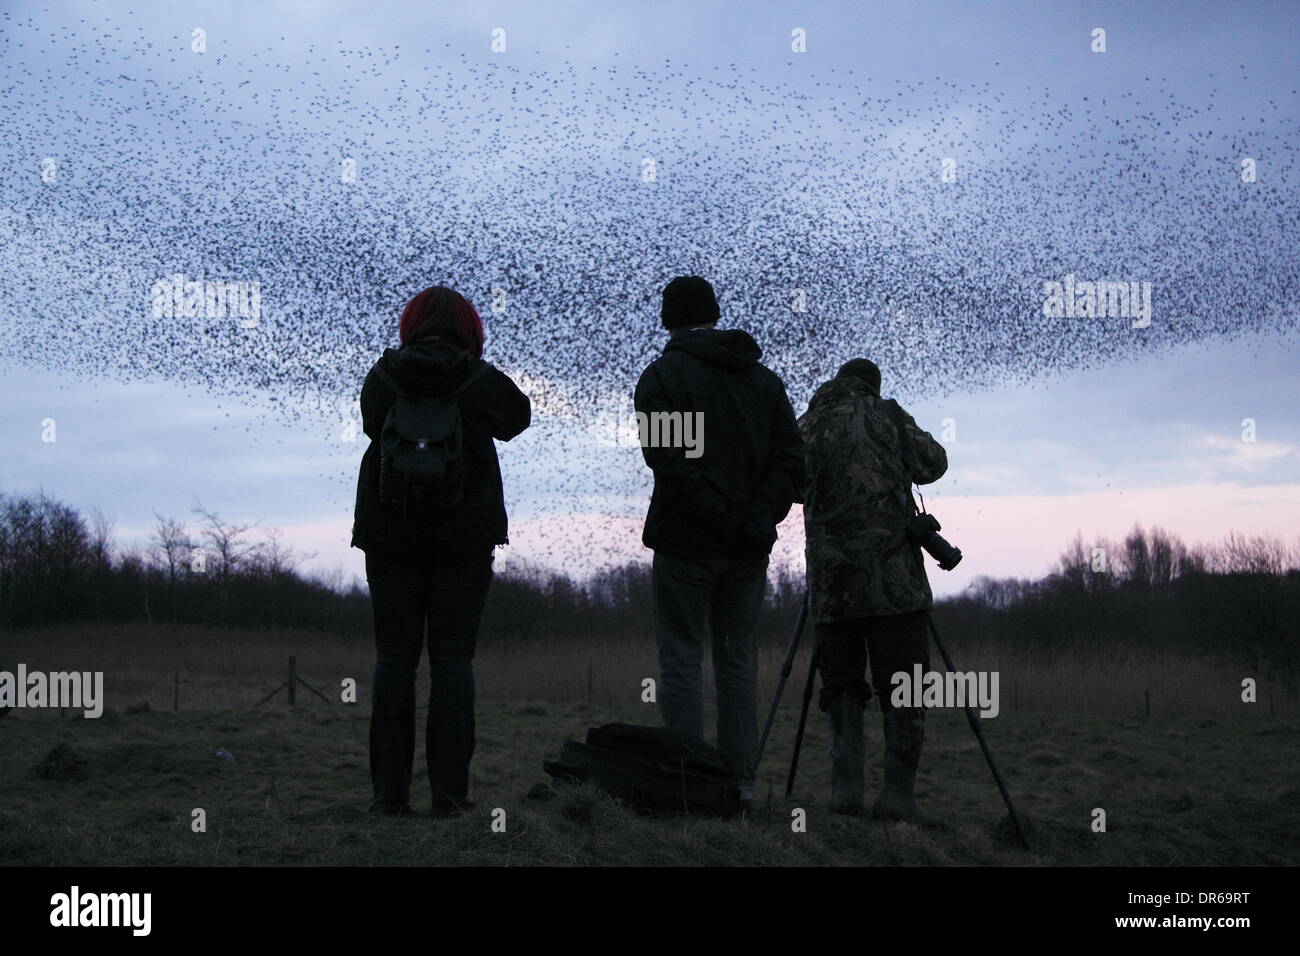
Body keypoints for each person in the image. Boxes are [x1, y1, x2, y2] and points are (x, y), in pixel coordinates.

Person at [351, 285, 530, 817]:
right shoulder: (478, 380)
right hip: (463, 541)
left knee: (394, 661)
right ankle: (450, 796)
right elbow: (517, 419)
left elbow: (368, 424)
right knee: (453, 662)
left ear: (410, 324)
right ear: (469, 329)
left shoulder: (383, 376)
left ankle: (388, 797)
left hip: (390, 537)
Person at [634, 275, 805, 810]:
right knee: (737, 661)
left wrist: (723, 515)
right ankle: (740, 787)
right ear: (714, 313)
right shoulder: (765, 382)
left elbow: (669, 462)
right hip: (748, 549)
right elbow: (791, 465)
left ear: (668, 319)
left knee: (682, 661)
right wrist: (756, 519)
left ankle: (687, 785)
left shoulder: (662, 378)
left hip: (686, 543)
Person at [799, 358, 948, 820]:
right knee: (905, 685)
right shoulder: (887, 413)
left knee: (841, 687)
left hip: (831, 587)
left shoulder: (805, 426)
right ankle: (898, 797)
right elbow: (934, 464)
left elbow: (790, 485)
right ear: (871, 386)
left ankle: (845, 791)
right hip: (893, 585)